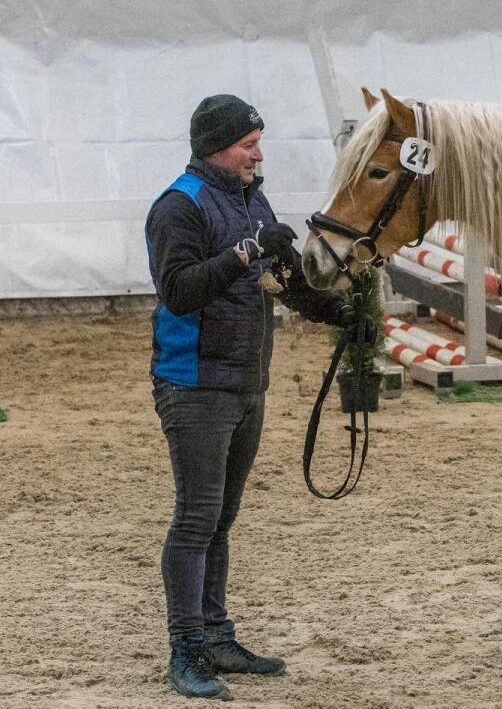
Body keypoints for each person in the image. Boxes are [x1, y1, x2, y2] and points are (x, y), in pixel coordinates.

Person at [145, 94, 361, 700]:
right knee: (196, 518)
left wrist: (336, 313)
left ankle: (216, 635)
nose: (258, 155)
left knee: (221, 519)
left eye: (257, 143)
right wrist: (245, 251)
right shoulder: (178, 207)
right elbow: (179, 290)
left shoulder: (251, 200)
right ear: (218, 147)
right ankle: (186, 649)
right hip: (193, 384)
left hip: (245, 382)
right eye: (248, 144)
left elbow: (284, 278)